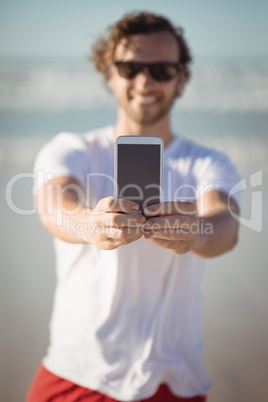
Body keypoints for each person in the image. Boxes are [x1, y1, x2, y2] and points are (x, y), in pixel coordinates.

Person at [27, 11, 240, 402]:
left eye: (161, 69)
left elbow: (225, 226)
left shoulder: (209, 163)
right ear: (109, 74)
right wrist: (90, 224)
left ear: (181, 77)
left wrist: (196, 232)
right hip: (75, 372)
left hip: (173, 380)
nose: (145, 82)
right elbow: (53, 203)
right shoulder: (71, 148)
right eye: (130, 67)